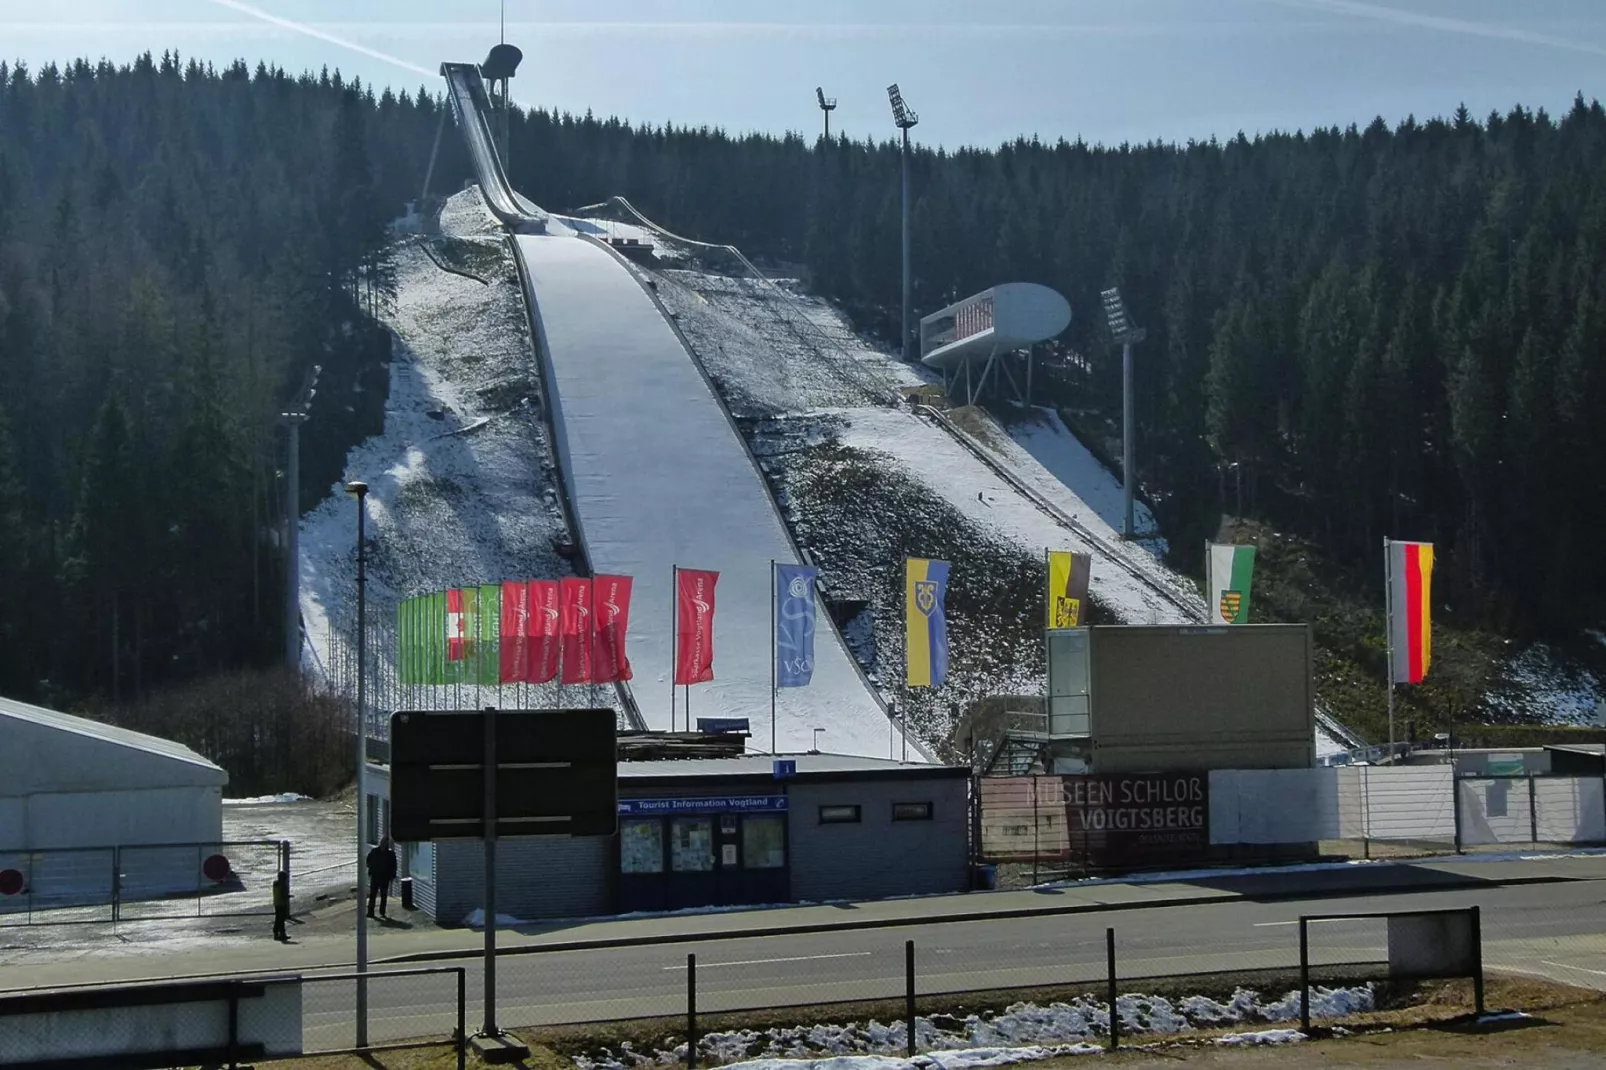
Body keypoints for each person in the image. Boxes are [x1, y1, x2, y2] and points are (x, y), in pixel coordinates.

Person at [366, 836, 398, 919]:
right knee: (373, 894)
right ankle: (370, 912)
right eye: (385, 843)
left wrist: (392, 876)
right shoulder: (375, 851)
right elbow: (368, 860)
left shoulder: (390, 854)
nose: (385, 845)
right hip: (376, 876)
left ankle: (382, 911)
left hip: (385, 877)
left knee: (383, 895)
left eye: (387, 843)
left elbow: (394, 866)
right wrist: (371, 869)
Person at [271, 871, 290, 941]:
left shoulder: (275, 884)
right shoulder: (283, 885)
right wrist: (288, 896)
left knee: (277, 919)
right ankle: (282, 934)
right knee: (281, 920)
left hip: (276, 903)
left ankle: (276, 933)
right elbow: (283, 895)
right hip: (282, 904)